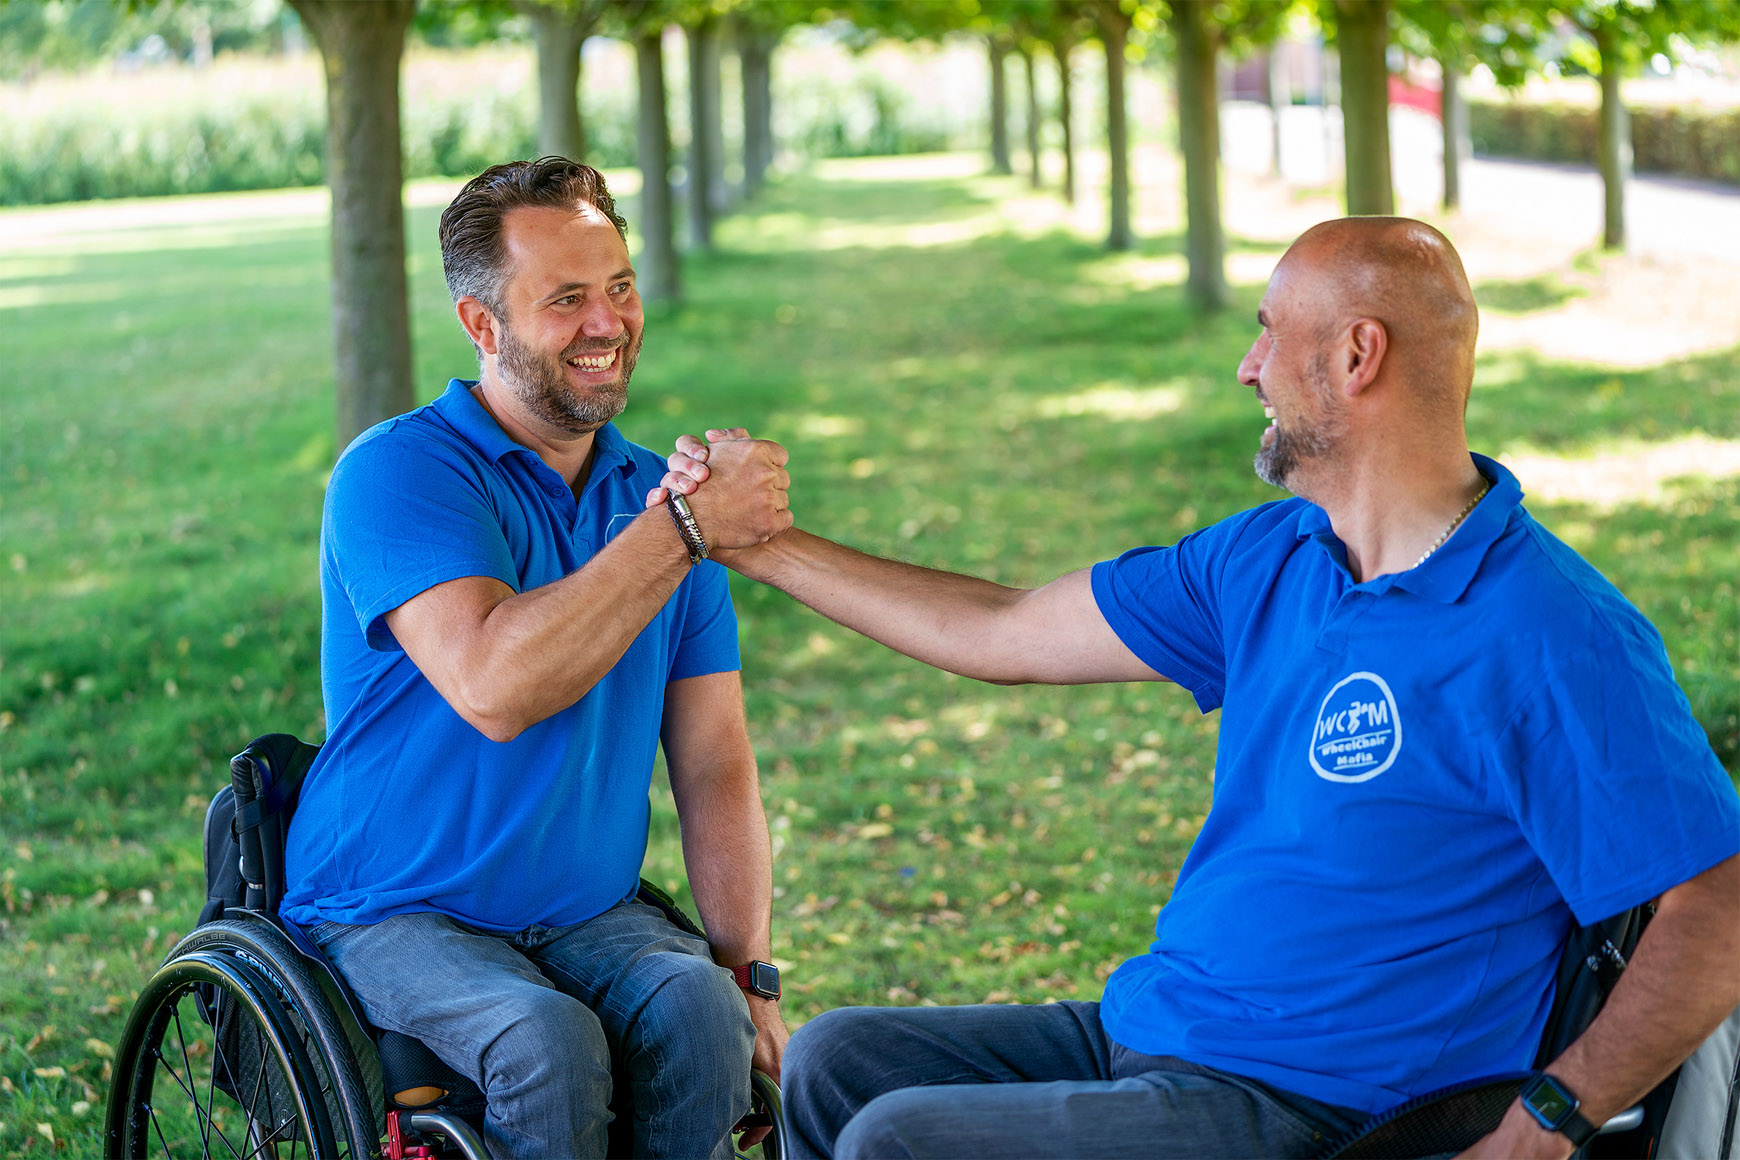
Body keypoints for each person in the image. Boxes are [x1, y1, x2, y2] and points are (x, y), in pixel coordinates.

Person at [653, 217, 1740, 1160]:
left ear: (1359, 354)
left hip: (1326, 1105)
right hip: (1169, 1025)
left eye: (1271, 329)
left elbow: (1718, 906)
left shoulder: (1553, 633)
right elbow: (1003, 625)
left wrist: (1549, 1113)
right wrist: (759, 545)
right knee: (839, 1063)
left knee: (904, 1141)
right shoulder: (1277, 556)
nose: (1247, 364)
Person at [280, 157, 795, 1160]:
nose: (607, 323)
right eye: (566, 299)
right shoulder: (398, 470)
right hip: (394, 902)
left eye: (619, 287)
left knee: (701, 1009)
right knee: (544, 1038)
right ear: (481, 324)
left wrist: (752, 974)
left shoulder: (651, 493)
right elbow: (496, 684)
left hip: (580, 904)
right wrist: (684, 528)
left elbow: (715, 760)